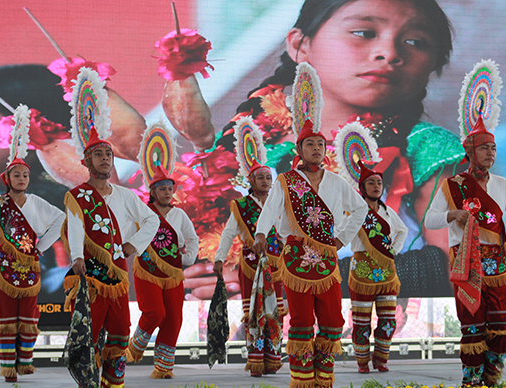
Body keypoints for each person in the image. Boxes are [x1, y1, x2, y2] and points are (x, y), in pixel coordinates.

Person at [175, 0, 462, 301]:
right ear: (300, 45)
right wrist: (203, 282)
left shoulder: (429, 148)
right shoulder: (237, 147)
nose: (388, 53)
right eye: (364, 33)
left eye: (415, 42)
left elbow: (454, 268)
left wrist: (291, 285)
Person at [253, 120, 368, 388]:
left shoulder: (337, 182)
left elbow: (360, 209)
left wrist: (342, 238)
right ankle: (303, 380)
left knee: (332, 319)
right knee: (302, 319)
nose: (316, 148)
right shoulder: (286, 181)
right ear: (299, 149)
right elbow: (269, 211)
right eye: (310, 144)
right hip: (295, 257)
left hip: (328, 257)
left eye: (320, 144)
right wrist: (260, 233)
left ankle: (324, 380)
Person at [424, 116, 506, 386]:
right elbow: (430, 220)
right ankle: (472, 380)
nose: (490, 153)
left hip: (498, 266)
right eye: (484, 148)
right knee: (472, 326)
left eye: (493, 148)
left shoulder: (503, 185)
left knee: (502, 325)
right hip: (466, 264)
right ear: (470, 152)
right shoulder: (452, 186)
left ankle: (491, 376)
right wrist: (453, 214)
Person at [63, 127, 159, 388]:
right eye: (98, 154)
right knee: (89, 331)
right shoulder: (77, 196)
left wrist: (134, 244)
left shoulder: (124, 195)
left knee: (120, 330)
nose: (105, 158)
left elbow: (151, 219)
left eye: (109, 154)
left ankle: (113, 385)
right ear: (86, 162)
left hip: (117, 275)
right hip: (89, 273)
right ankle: (89, 383)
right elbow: (75, 227)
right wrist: (76, 257)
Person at [0, 114, 64, 383]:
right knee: (6, 317)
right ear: (6, 178)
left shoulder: (37, 202)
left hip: (31, 266)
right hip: (3, 269)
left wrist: (42, 246)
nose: (21, 178)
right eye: (16, 175)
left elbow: (60, 220)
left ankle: (25, 362)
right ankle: (8, 366)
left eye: (25, 175)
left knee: (30, 315)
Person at [127, 164, 199, 379]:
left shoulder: (179, 214)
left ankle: (163, 367)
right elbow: (130, 236)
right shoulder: (144, 213)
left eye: (170, 189)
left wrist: (187, 258)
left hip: (173, 272)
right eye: (162, 189)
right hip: (147, 269)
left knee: (174, 318)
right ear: (153, 192)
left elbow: (192, 238)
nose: (167, 193)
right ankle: (135, 345)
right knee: (155, 312)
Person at [214, 159, 284, 377]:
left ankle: (272, 360)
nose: (265, 181)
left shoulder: (280, 203)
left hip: (276, 266)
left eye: (268, 178)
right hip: (251, 266)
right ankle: (255, 361)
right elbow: (228, 234)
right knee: (254, 312)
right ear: (251, 181)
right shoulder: (242, 206)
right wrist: (219, 258)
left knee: (275, 312)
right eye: (260, 177)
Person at [348, 160, 408, 373]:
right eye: (371, 182)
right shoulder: (356, 212)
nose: (376, 186)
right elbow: (343, 232)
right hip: (362, 271)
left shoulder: (388, 213)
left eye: (379, 183)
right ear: (362, 188)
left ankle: (381, 358)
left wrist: (393, 250)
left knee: (388, 320)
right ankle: (362, 361)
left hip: (386, 272)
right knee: (361, 321)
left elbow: (403, 231)